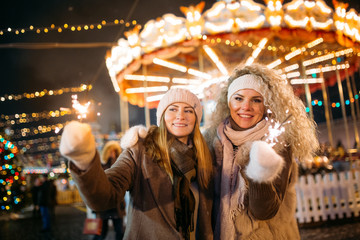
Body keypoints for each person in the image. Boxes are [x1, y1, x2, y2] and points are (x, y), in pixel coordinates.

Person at [59, 88, 213, 240]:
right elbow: (106, 195)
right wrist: (84, 159)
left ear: (196, 119)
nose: (180, 116)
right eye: (173, 109)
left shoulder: (204, 158)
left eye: (188, 110)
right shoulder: (140, 151)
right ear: (162, 116)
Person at [204, 63, 319, 239]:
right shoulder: (212, 140)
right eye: (238, 98)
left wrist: (260, 172)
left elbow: (264, 211)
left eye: (256, 100)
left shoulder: (277, 142)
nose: (246, 107)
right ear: (228, 101)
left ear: (266, 105)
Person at [93, 141, 126, 240]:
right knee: (100, 233)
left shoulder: (119, 164)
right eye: (111, 151)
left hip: (117, 203)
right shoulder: (100, 165)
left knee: (119, 232)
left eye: (115, 152)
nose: (113, 154)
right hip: (103, 204)